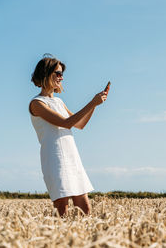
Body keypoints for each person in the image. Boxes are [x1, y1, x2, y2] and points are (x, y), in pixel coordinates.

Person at [29, 54, 108, 216]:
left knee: (85, 208)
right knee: (62, 208)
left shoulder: (59, 102)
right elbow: (66, 123)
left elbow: (80, 124)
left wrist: (95, 105)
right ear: (46, 74)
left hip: (72, 156)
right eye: (57, 73)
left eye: (62, 74)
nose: (61, 77)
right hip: (54, 157)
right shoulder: (37, 103)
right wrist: (92, 102)